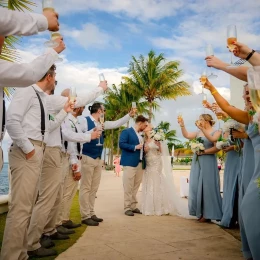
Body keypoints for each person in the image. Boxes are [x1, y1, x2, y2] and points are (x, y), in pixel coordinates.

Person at [1, 64, 107, 259]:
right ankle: (16, 253)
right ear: (49, 77)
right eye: (55, 75)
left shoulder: (43, 99)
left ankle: (24, 250)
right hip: (32, 151)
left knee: (29, 205)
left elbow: (49, 126)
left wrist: (65, 111)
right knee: (22, 207)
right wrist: (30, 149)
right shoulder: (28, 92)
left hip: (40, 151)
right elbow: (12, 121)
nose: (56, 79)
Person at [80, 103, 134, 225]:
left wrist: (129, 115)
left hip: (98, 158)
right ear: (99, 111)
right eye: (104, 110)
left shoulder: (103, 123)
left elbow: (117, 123)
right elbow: (79, 135)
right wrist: (92, 131)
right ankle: (85, 215)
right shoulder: (84, 121)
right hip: (87, 156)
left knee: (94, 187)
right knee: (86, 187)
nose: (105, 112)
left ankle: (91, 212)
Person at [178, 114, 222, 222]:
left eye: (201, 119)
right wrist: (182, 125)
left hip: (208, 160)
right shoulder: (198, 132)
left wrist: (204, 152)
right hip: (197, 161)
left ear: (207, 121)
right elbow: (187, 135)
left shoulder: (216, 131)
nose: (199, 121)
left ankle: (209, 213)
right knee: (196, 185)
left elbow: (216, 148)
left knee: (207, 186)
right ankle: (200, 212)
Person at [141, 124, 191, 217]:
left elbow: (161, 151)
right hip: (148, 162)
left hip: (156, 162)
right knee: (149, 181)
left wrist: (158, 145)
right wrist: (145, 150)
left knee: (157, 180)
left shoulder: (156, 138)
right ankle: (149, 207)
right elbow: (142, 152)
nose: (145, 127)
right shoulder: (143, 140)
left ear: (150, 128)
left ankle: (161, 207)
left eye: (147, 126)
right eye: (145, 126)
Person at [119, 115, 148, 216]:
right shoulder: (126, 132)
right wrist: (135, 147)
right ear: (139, 123)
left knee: (136, 186)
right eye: (144, 125)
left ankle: (133, 206)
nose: (145, 128)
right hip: (130, 163)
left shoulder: (140, 135)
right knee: (128, 186)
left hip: (139, 163)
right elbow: (121, 144)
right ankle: (127, 207)